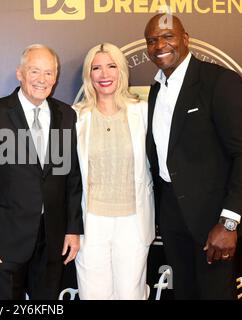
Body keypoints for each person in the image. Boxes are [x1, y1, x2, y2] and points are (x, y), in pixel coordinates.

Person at [0, 44, 83, 300]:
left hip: (52, 238)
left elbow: (73, 178)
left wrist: (73, 229)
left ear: (55, 78)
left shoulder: (67, 115)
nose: (41, 80)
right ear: (20, 73)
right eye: (34, 71)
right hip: (5, 239)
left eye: (48, 73)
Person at [145, 14, 242, 299]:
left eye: (167, 37)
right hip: (172, 215)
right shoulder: (155, 89)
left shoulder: (219, 81)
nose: (159, 45)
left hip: (214, 219)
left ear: (185, 39)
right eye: (152, 41)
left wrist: (229, 222)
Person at [73, 43, 155, 300]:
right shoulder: (75, 117)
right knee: (92, 294)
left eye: (111, 66)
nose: (104, 74)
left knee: (131, 294)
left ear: (122, 71)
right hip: (91, 222)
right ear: (89, 74)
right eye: (96, 68)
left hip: (133, 219)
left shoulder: (142, 112)